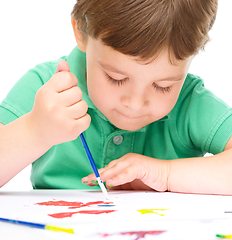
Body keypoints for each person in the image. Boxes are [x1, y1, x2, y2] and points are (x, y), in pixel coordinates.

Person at [0, 0, 231, 195]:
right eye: (116, 78)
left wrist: (166, 174)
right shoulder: (47, 89)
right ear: (81, 31)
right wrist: (34, 131)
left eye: (163, 86)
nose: (135, 103)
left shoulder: (191, 102)